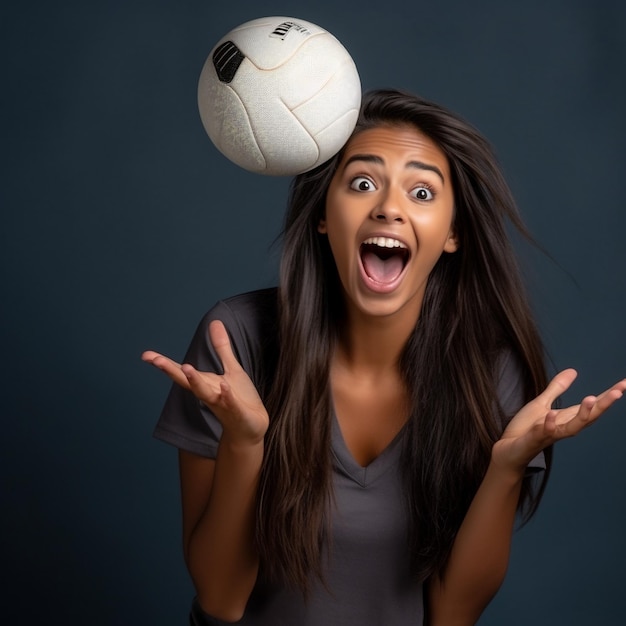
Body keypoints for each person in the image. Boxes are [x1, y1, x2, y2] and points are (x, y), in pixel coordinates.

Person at [143, 89, 625, 625]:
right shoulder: (237, 340)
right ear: (324, 214)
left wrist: (506, 468)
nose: (390, 207)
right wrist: (245, 443)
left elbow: (451, 615)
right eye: (363, 183)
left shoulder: (486, 374)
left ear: (452, 234)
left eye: (422, 192)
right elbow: (220, 598)